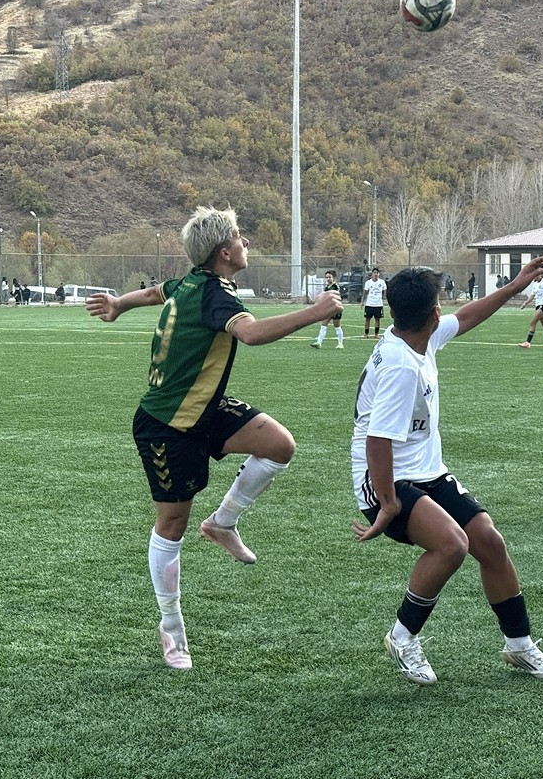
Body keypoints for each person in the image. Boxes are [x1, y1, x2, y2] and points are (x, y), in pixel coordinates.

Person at [86, 206, 342, 671]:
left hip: (205, 411)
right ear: (225, 252)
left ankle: (222, 524)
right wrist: (316, 311)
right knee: (171, 526)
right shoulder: (212, 295)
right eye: (241, 238)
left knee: (279, 445)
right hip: (167, 426)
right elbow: (253, 334)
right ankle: (172, 630)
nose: (247, 243)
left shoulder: (192, 283)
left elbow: (152, 292)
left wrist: (120, 304)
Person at [351, 258, 543, 685]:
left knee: (488, 541)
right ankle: (402, 637)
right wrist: (388, 503)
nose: (445, 313)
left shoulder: (416, 339)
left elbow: (466, 317)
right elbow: (377, 441)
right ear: (432, 313)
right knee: (451, 545)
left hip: (425, 471)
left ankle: (519, 645)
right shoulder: (400, 367)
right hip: (385, 480)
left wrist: (514, 287)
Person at [518, 268, 543, 348]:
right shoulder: (535, 284)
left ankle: (527, 342)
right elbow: (532, 296)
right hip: (538, 305)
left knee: (533, 322)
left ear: (540, 274)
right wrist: (525, 303)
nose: (534, 277)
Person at [311, 271, 345, 349]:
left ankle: (340, 343)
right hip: (329, 309)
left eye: (330, 277)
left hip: (335, 309)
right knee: (323, 325)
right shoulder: (327, 287)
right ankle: (319, 343)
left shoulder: (335, 286)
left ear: (333, 278)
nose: (328, 279)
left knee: (337, 326)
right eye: (327, 277)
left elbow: (334, 296)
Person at [362, 267, 387, 338]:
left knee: (377, 319)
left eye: (377, 273)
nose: (376, 274)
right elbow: (365, 293)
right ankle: (366, 334)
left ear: (379, 274)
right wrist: (362, 302)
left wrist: (385, 298)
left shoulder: (382, 282)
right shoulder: (368, 282)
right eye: (374, 272)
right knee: (367, 319)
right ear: (372, 274)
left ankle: (376, 334)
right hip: (369, 304)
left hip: (378, 304)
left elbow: (385, 291)